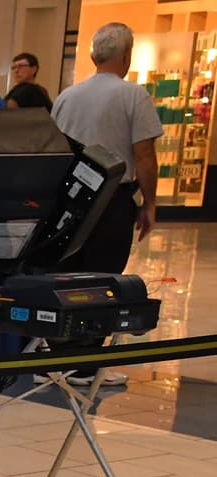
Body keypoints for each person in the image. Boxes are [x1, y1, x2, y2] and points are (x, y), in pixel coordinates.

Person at [51, 22, 162, 388]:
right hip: (113, 196)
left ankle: (61, 352)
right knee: (104, 278)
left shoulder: (69, 95)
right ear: (126, 56)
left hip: (72, 196)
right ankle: (87, 362)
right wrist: (150, 202)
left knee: (69, 273)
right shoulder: (132, 95)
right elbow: (144, 154)